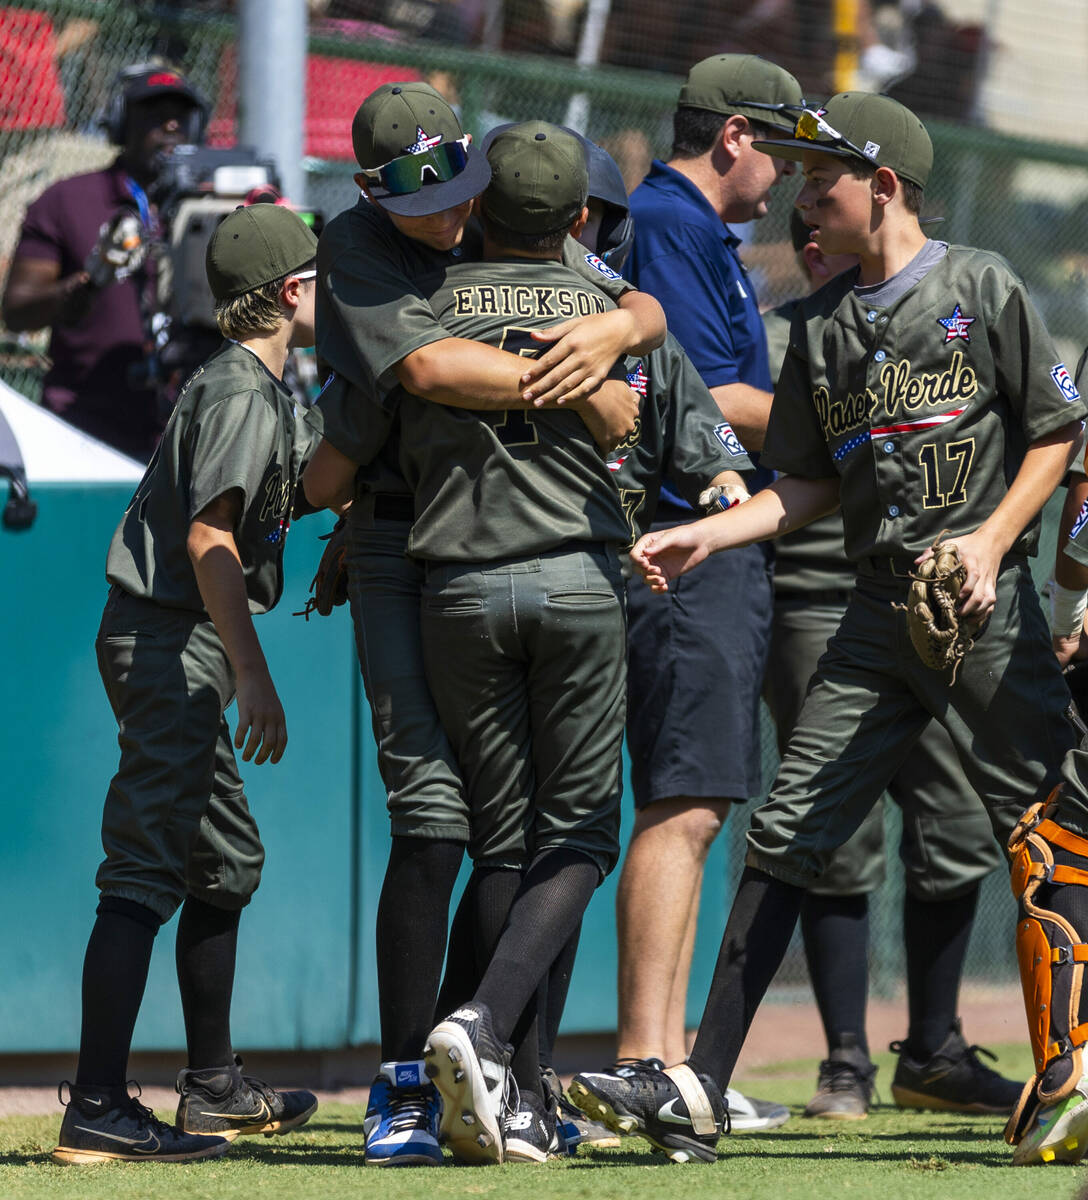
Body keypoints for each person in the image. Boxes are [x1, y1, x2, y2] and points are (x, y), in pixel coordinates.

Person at [571, 90, 1087, 1167]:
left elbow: (1054, 431)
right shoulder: (811, 327)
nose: (804, 204)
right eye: (799, 182)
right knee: (787, 826)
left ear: (882, 188)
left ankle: (1069, 1064)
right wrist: (710, 536)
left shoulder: (977, 282)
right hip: (874, 611)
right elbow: (804, 482)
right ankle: (700, 1085)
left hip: (982, 609)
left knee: (1046, 818)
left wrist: (993, 543)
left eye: (823, 183)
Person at [302, 81, 664, 1167]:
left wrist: (623, 324)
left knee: (510, 831)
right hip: (398, 543)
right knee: (437, 823)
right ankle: (404, 1085)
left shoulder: (498, 235)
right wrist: (576, 385)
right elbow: (417, 371)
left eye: (461, 187)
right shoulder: (360, 243)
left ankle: (501, 1071)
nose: (450, 216)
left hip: (463, 547)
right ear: (371, 189)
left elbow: (635, 308)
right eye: (425, 199)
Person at [53, 204, 321, 1165]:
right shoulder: (243, 391)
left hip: (174, 636)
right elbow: (211, 538)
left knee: (225, 858)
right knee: (144, 866)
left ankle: (210, 1088)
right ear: (293, 290)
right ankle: (95, 1104)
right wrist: (253, 671)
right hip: (175, 637)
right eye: (318, 275)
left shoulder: (255, 384)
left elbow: (309, 479)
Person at [763, 210, 1018, 1120]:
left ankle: (936, 1050)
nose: (811, 239)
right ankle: (841, 1063)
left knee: (955, 823)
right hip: (817, 591)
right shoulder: (796, 326)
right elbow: (732, 408)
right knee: (829, 835)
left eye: (822, 217)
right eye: (798, 226)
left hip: (937, 595)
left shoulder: (960, 300)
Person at [603, 51, 803, 1131]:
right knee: (681, 803)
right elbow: (708, 391)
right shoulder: (667, 223)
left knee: (698, 802)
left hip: (711, 539)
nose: (788, 172)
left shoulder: (693, 229)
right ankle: (646, 1058)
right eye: (782, 144)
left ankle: (668, 1063)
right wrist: (856, 425)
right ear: (734, 135)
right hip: (684, 540)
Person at [2, 63, 207, 461]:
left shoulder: (216, 204)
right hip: (84, 429)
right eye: (154, 114)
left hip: (188, 434)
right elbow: (17, 310)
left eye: (179, 117)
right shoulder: (68, 199)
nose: (169, 127)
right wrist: (86, 284)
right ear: (120, 123)